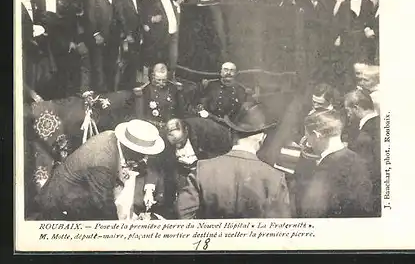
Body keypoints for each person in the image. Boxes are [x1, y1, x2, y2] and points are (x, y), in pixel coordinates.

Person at [176, 102, 292, 219]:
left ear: (231, 133)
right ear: (262, 138)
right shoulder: (275, 179)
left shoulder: (202, 169)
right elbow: (280, 229)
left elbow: (184, 216)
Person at [35, 119, 166, 221]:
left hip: (74, 196)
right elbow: (104, 206)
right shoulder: (103, 163)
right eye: (143, 154)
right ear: (130, 148)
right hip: (58, 207)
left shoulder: (111, 136)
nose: (145, 158)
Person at [294, 110, 375, 218]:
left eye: (308, 137)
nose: (308, 144)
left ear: (316, 135)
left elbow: (312, 214)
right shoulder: (358, 159)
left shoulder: (325, 170)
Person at [344, 90, 381, 215]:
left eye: (347, 110)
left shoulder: (365, 134)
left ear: (356, 108)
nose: (347, 115)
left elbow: (365, 170)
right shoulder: (379, 123)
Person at [86, 0, 120, 93]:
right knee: (99, 67)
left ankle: (110, 93)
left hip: (113, 38)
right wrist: (96, 34)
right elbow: (90, 16)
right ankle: (100, 95)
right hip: (100, 37)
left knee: (111, 66)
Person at [141, 0, 180, 76]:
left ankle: (171, 81)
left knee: (172, 61)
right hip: (159, 38)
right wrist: (151, 20)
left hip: (173, 35)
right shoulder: (149, 1)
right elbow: (142, 17)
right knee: (157, 64)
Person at [134, 62, 185, 129]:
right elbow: (140, 115)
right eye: (158, 80)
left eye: (164, 80)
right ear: (153, 77)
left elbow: (180, 111)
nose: (161, 83)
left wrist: (180, 93)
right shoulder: (146, 90)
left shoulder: (173, 89)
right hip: (150, 127)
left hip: (169, 127)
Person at [115, 0, 143, 90]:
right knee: (124, 63)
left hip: (137, 34)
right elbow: (121, 16)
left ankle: (131, 87)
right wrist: (127, 34)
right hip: (126, 36)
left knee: (135, 62)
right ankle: (121, 88)